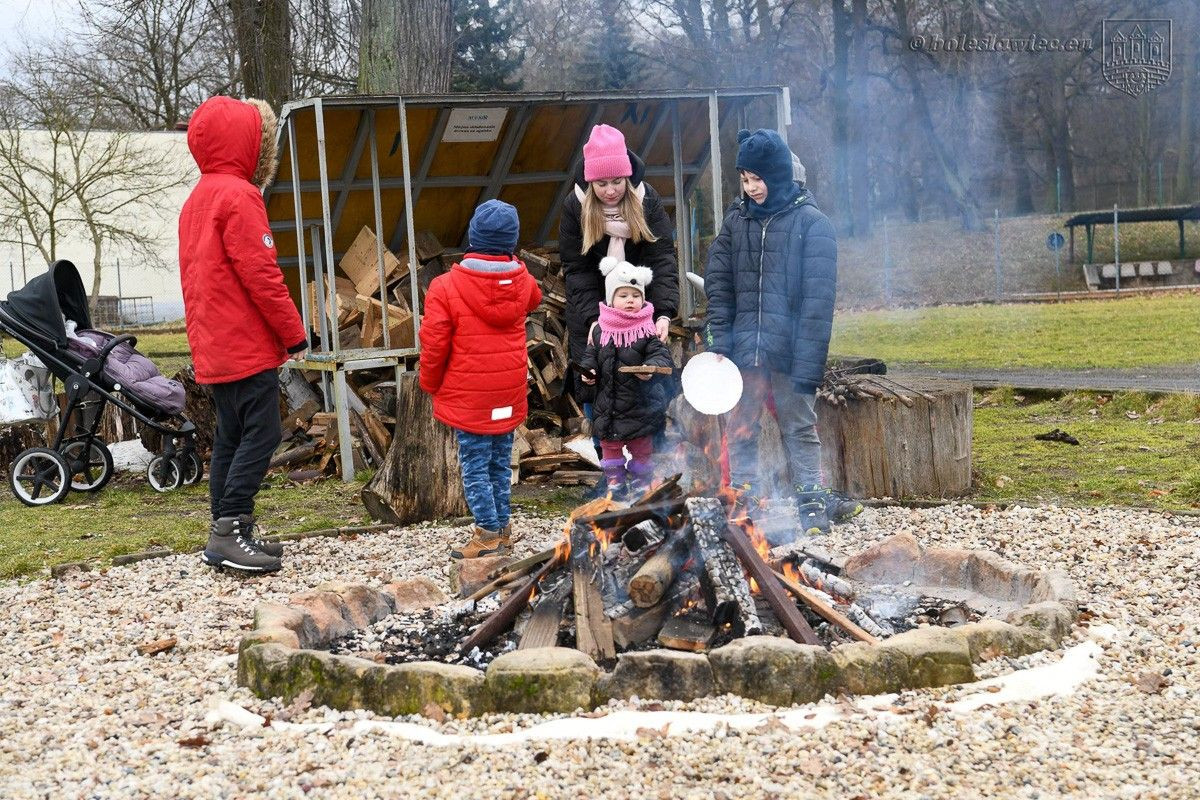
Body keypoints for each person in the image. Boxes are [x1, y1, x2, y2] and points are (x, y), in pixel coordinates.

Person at [704, 128, 862, 534]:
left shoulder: (813, 224)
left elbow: (817, 304)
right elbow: (719, 286)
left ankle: (812, 503)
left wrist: (809, 363)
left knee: (799, 426)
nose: (751, 187)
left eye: (758, 178)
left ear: (778, 175)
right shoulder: (735, 224)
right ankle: (744, 503)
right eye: (745, 179)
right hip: (745, 350)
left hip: (791, 351)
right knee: (741, 426)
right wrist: (720, 340)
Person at [179, 96, 308, 574]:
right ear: (250, 144)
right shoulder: (240, 196)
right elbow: (262, 274)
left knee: (231, 436)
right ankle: (230, 530)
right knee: (264, 431)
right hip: (244, 342)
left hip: (214, 343)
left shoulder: (196, 199)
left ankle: (228, 531)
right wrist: (294, 335)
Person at [419, 200, 542, 560]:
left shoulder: (445, 287)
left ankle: (487, 534)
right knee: (500, 464)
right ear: (511, 242)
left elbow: (434, 344)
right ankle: (502, 530)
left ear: (473, 237)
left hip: (470, 396)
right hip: (508, 392)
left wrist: (429, 383)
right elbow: (534, 297)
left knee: (474, 467)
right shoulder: (523, 282)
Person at [559, 124, 678, 392]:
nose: (610, 191)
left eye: (617, 182)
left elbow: (662, 259)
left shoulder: (647, 200)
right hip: (592, 310)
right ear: (590, 182)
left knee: (642, 387)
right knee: (593, 382)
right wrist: (593, 320)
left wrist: (663, 314)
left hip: (639, 308)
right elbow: (577, 269)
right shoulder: (574, 206)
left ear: (627, 177)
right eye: (601, 184)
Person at [578, 257, 674, 497]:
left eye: (636, 295)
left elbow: (661, 356)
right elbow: (590, 356)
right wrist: (589, 372)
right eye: (623, 295)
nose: (630, 300)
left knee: (642, 449)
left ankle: (642, 486)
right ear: (611, 299)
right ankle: (615, 485)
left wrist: (651, 368)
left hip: (639, 406)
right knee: (610, 449)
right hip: (608, 407)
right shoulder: (600, 330)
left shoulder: (647, 330)